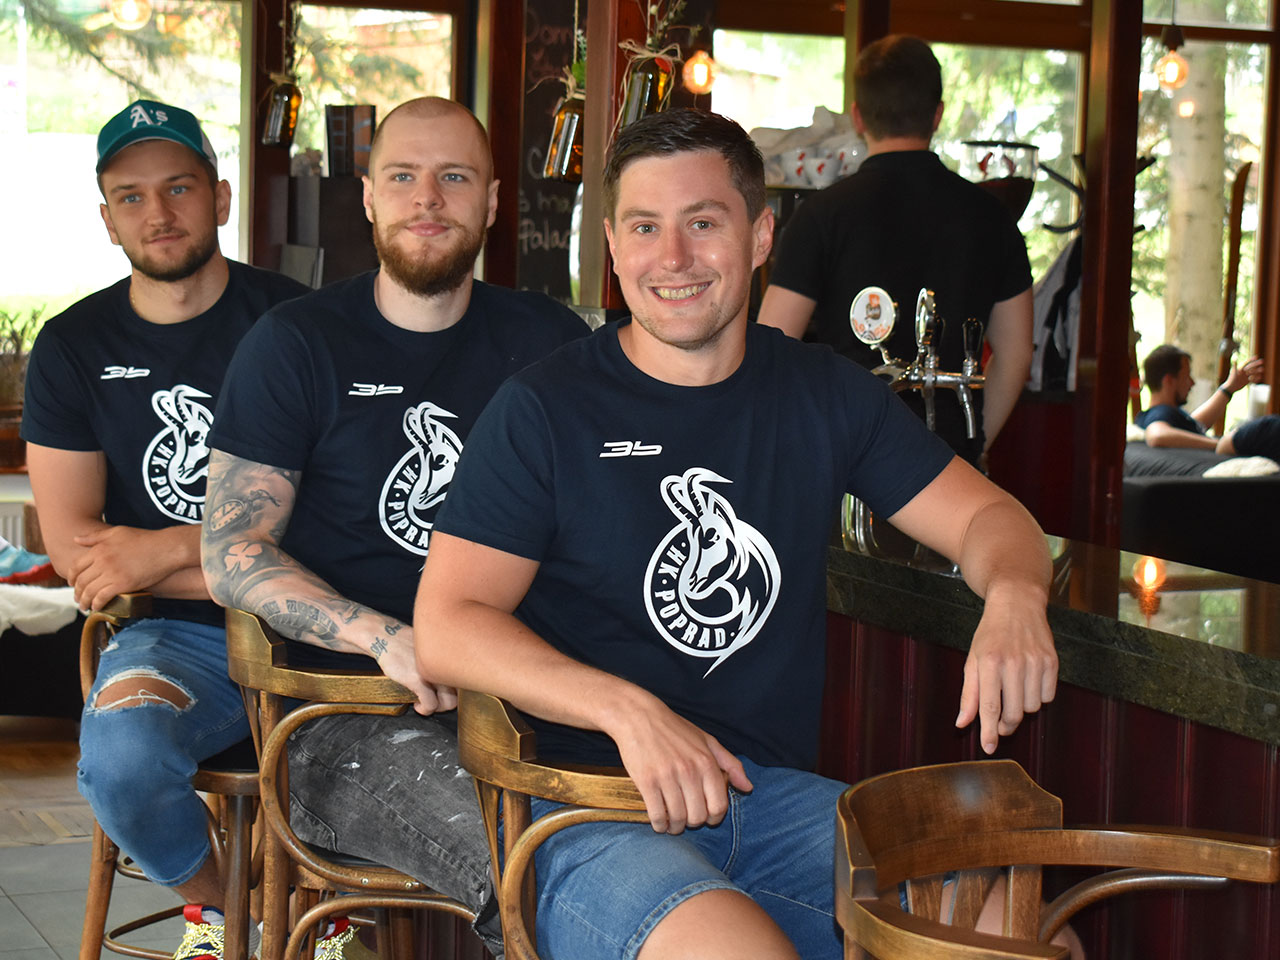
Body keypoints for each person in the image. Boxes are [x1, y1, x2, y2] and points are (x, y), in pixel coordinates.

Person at [414, 108, 1059, 960]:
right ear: (613, 246)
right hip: (580, 809)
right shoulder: (543, 408)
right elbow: (448, 622)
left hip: (764, 800)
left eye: (703, 223)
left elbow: (990, 518)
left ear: (760, 237)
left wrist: (1014, 595)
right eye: (645, 227)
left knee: (1009, 933)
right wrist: (627, 710)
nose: (673, 258)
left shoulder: (823, 393)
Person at [200, 96, 589, 955]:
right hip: (343, 716)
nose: (428, 199)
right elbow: (232, 551)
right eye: (404, 177)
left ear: (493, 202)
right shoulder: (296, 343)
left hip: (531, 697)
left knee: (659, 837)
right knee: (543, 868)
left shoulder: (550, 341)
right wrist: (388, 639)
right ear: (370, 198)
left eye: (454, 177)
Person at [21, 100, 309, 959]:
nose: (159, 212)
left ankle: (324, 913)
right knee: (121, 761)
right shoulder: (73, 344)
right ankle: (227, 917)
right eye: (132, 196)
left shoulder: (300, 324)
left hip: (315, 623)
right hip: (175, 638)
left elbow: (336, 519)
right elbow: (78, 551)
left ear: (220, 198)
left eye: (179, 188)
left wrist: (162, 548)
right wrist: (245, 550)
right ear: (107, 218)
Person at [757, 34, 1033, 466]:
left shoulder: (821, 215)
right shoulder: (992, 217)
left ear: (858, 117)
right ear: (938, 114)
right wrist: (974, 445)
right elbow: (1016, 352)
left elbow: (771, 348)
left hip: (849, 459)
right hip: (950, 458)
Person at [1137, 344, 1279, 459]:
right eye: (1187, 376)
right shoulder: (1159, 413)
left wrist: (1229, 389)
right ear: (1168, 380)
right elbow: (1157, 435)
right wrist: (1221, 444)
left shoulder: (1167, 416)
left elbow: (1195, 424)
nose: (1192, 383)